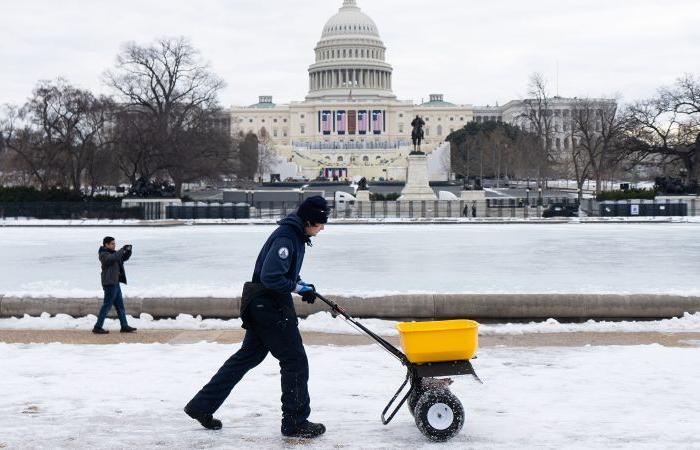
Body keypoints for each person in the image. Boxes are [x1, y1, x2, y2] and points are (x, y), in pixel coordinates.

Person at [184, 196, 330, 439]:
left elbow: (282, 272)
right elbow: (271, 277)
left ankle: (202, 406)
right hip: (270, 306)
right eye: (320, 223)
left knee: (246, 358)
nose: (322, 228)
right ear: (308, 221)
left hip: (262, 304)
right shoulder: (286, 237)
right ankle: (295, 422)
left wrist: (301, 283)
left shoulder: (294, 234)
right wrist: (296, 287)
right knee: (294, 360)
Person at [93, 237, 136, 334]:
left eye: (114, 243)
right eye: (112, 244)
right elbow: (113, 258)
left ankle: (124, 326)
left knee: (120, 307)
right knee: (107, 306)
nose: (114, 245)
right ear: (106, 244)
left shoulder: (113, 253)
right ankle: (97, 327)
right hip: (109, 283)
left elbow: (122, 258)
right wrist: (122, 249)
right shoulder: (103, 254)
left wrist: (128, 251)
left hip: (115, 283)